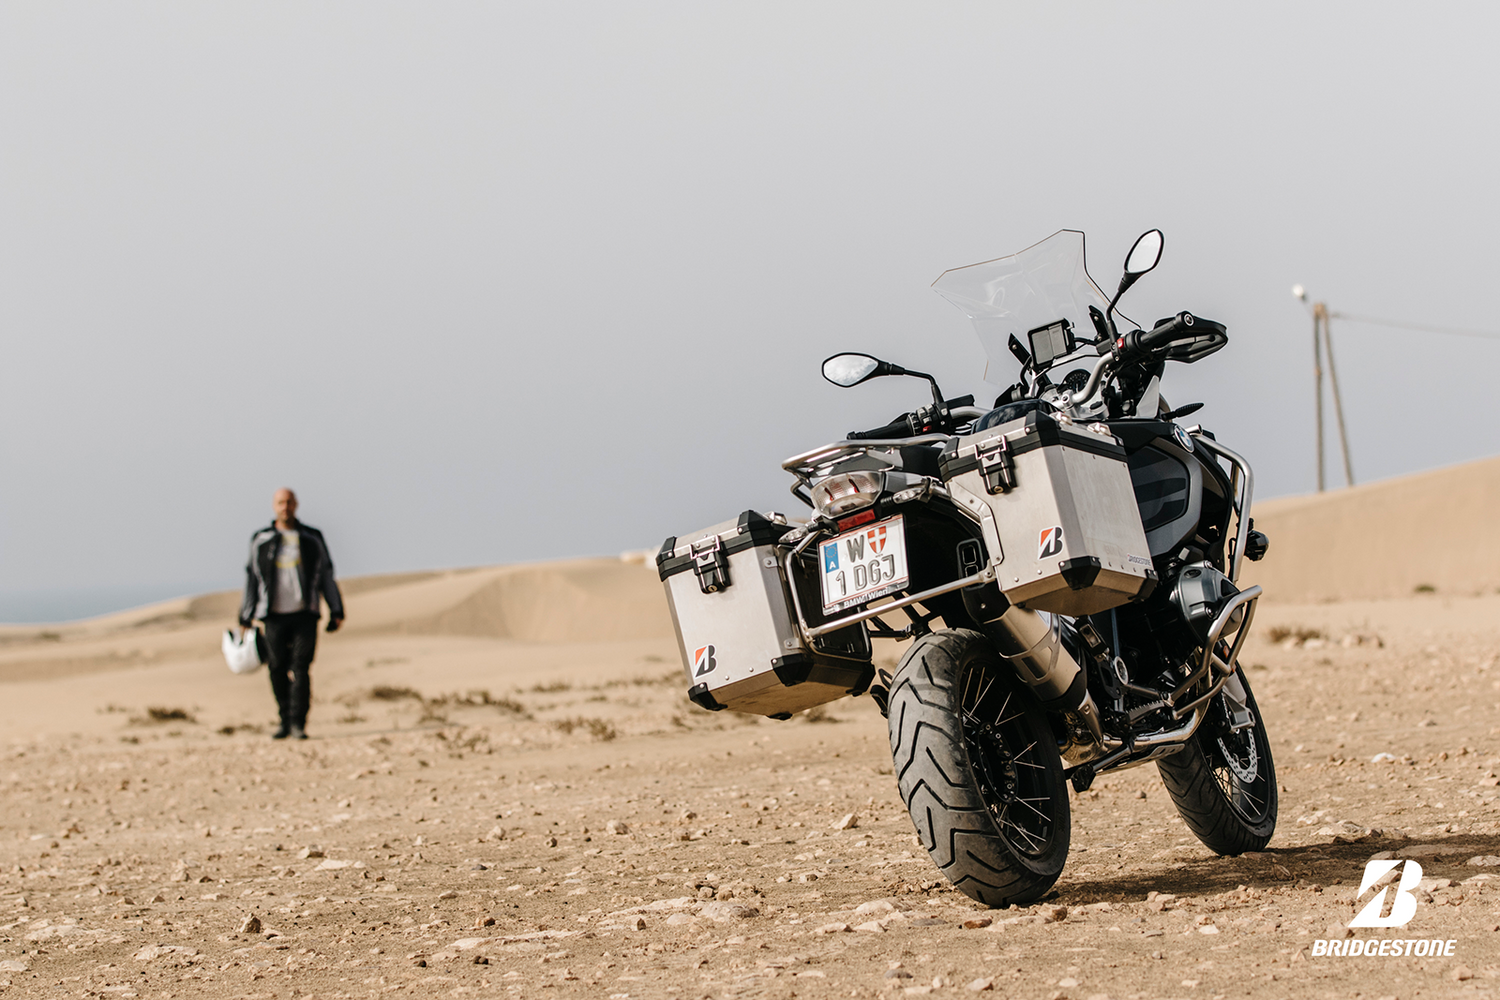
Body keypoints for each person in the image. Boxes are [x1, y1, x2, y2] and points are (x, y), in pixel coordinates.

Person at [238, 488, 345, 739]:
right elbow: (252, 579)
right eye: (280, 502)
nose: (285, 507)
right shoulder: (261, 539)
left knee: (301, 667)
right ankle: (284, 720)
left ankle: (298, 723)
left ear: (296, 504)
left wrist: (336, 609)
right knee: (276, 667)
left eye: (289, 502)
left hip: (305, 613)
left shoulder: (312, 538)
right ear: (274, 505)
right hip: (272, 615)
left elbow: (326, 574)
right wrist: (245, 615)